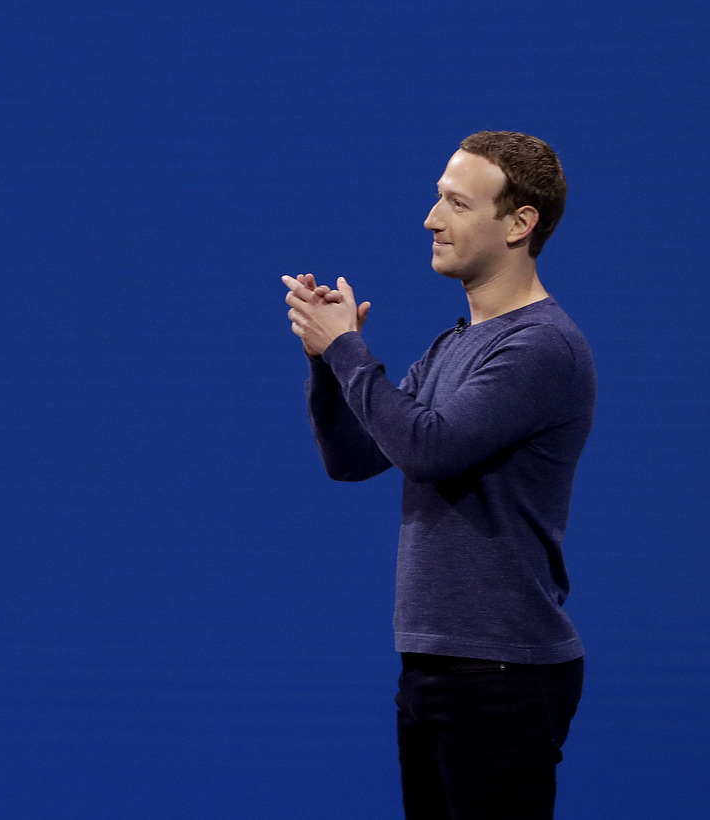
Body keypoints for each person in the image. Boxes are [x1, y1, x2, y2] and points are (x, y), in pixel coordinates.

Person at [280, 131, 595, 820]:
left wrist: (348, 351)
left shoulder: (542, 348)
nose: (431, 218)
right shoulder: (454, 344)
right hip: (436, 667)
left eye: (455, 202)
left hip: (503, 673)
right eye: (436, 198)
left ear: (519, 223)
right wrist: (325, 361)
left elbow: (427, 448)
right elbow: (355, 458)